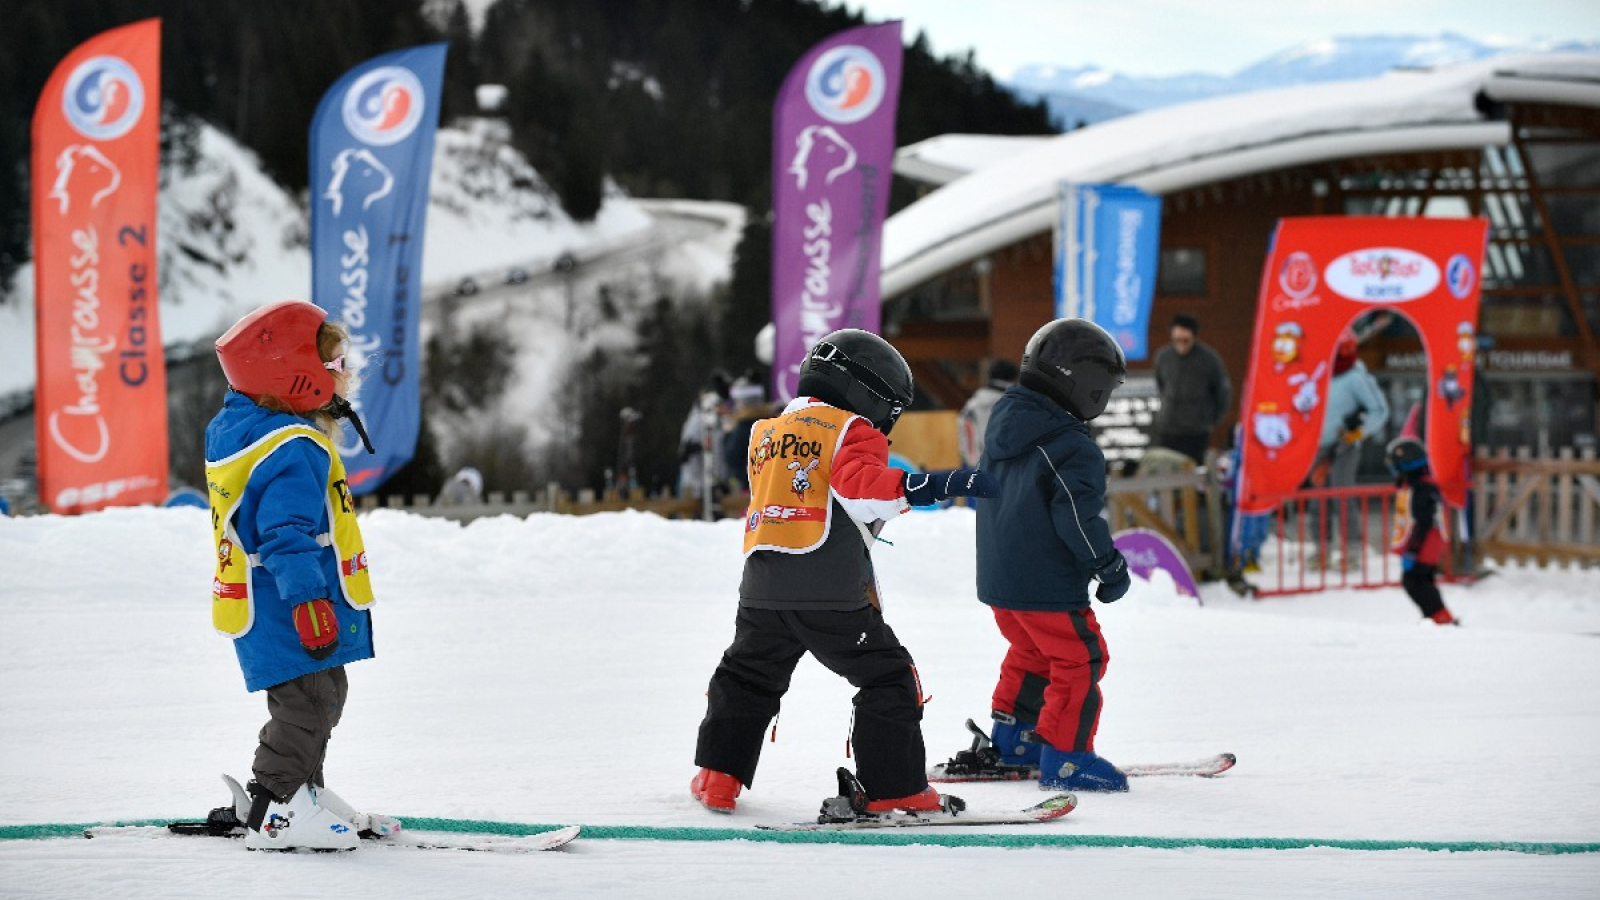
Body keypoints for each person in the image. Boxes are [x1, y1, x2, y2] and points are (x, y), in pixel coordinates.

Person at [690, 329, 998, 816]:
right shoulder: (848, 430)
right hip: (828, 591)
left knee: (746, 676)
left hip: (762, 590)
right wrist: (941, 482)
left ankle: (717, 776)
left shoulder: (767, 432)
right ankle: (895, 789)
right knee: (890, 678)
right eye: (891, 409)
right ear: (868, 392)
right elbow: (862, 489)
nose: (888, 423)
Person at [206, 300, 397, 850]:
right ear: (295, 374)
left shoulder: (246, 429)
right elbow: (285, 535)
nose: (347, 375)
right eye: (335, 367)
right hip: (291, 604)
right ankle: (278, 803)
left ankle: (302, 792)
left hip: (268, 601)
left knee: (319, 694)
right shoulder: (294, 450)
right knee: (309, 701)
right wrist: (309, 600)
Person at [940, 318, 1134, 793]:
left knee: (1032, 652)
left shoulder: (1006, 425)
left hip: (1002, 583)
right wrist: (1108, 567)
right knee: (1081, 659)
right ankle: (1067, 757)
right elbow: (1076, 518)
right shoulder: (1072, 446)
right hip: (1046, 586)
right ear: (1087, 384)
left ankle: (1016, 740)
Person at [1312, 332, 1390, 567]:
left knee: (1341, 494)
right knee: (1317, 498)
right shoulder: (1317, 373)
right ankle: (1321, 550)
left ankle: (1352, 550)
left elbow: (1379, 409)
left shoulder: (1356, 377)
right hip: (1315, 444)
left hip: (1343, 444)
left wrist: (1360, 432)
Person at [1385, 436, 1459, 626]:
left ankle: (1440, 617)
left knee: (1414, 582)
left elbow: (1424, 521)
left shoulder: (1421, 489)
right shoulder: (1419, 486)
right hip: (1428, 542)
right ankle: (1436, 616)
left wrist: (1413, 550)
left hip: (1426, 543)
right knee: (1422, 580)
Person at [1151, 313, 1231, 466]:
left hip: (1195, 430)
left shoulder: (1209, 359)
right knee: (1165, 470)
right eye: (1176, 340)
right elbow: (1161, 385)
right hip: (1168, 427)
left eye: (1185, 340)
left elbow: (1223, 392)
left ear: (1194, 337)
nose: (1181, 344)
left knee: (1193, 472)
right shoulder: (1163, 357)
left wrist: (1212, 420)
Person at [958, 359, 1019, 468]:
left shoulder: (971, 405)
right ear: (1014, 378)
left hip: (974, 467)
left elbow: (966, 441)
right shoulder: (1013, 404)